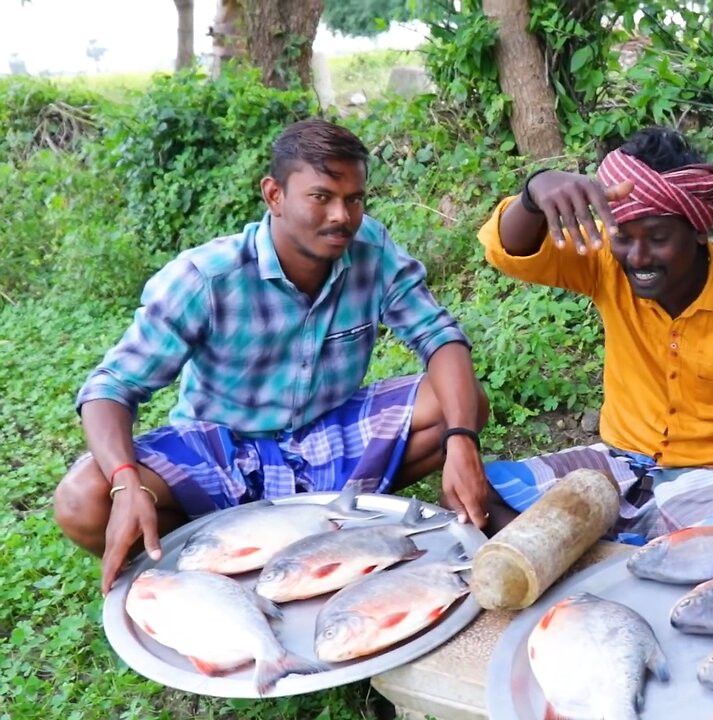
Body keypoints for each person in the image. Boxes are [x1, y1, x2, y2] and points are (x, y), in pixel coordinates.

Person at [54, 118, 491, 595]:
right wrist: (124, 482)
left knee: (460, 404)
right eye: (321, 197)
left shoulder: (371, 250)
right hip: (221, 452)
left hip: (325, 437)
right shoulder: (206, 277)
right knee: (83, 499)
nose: (342, 216)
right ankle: (213, 549)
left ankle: (322, 521)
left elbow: (439, 336)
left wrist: (462, 441)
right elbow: (111, 387)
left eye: (354, 199)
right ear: (274, 195)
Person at [477, 127, 713, 543]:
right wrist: (533, 194)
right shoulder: (606, 266)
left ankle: (602, 556)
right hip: (617, 465)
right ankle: (605, 565)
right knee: (475, 493)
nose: (639, 257)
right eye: (624, 238)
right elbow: (510, 252)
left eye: (659, 239)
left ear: (699, 232)